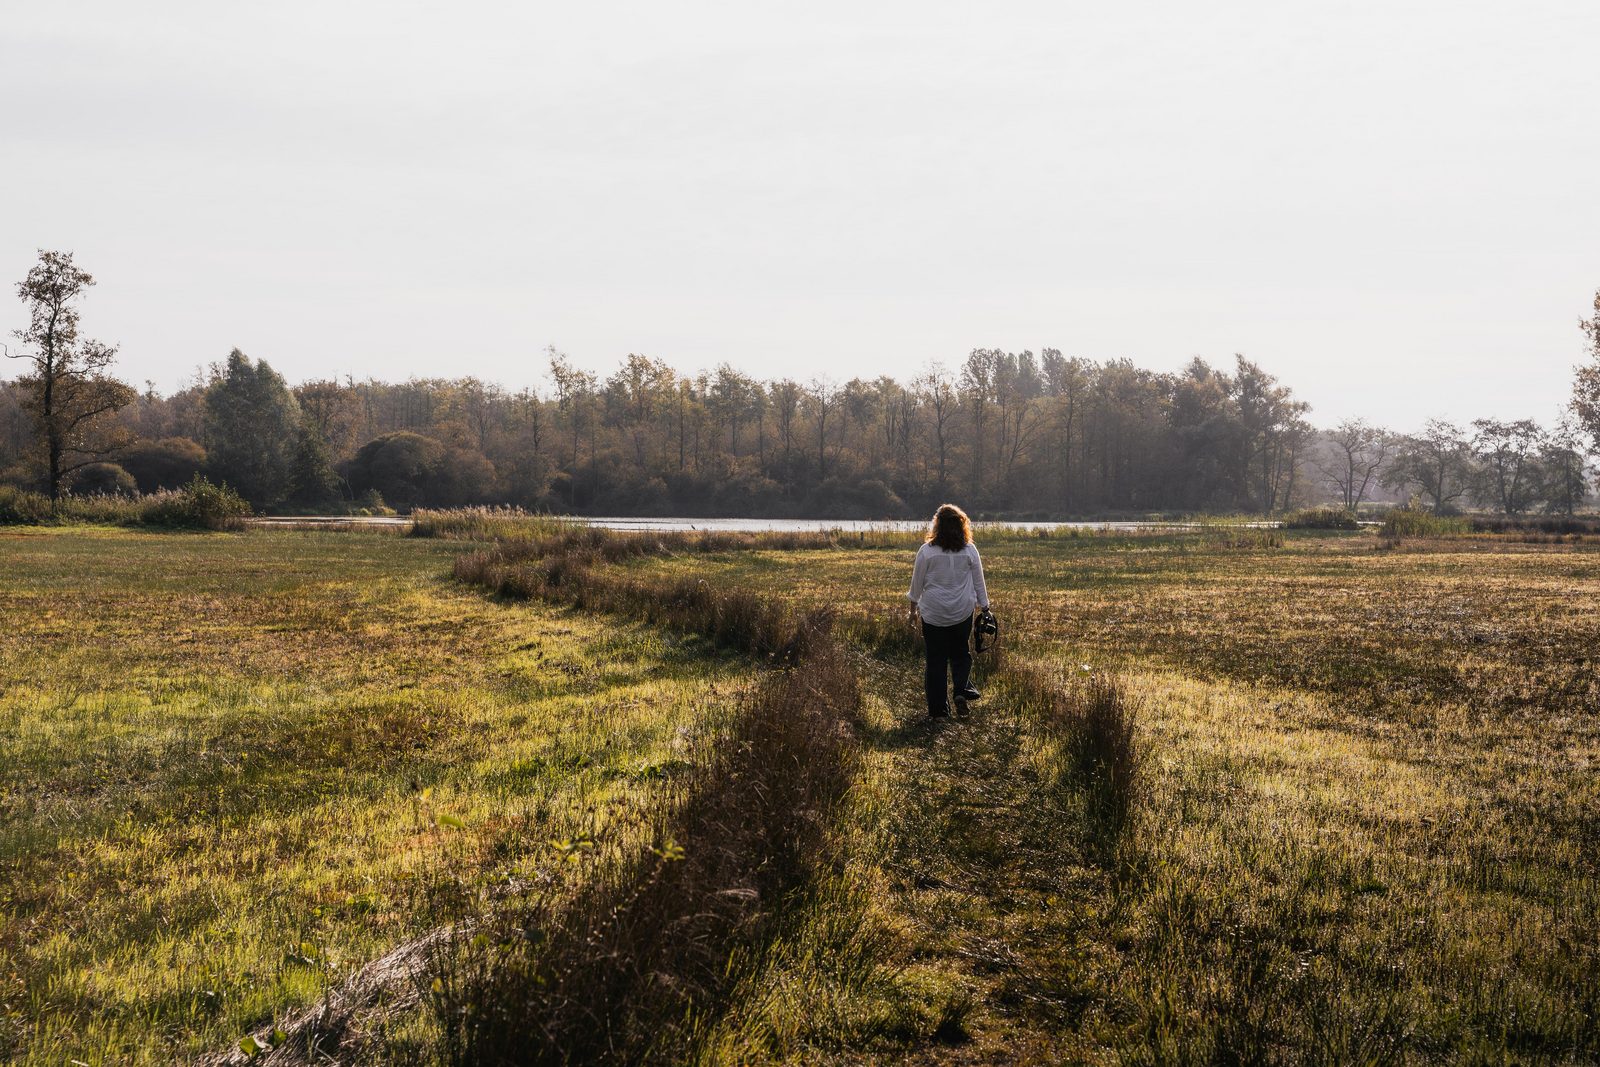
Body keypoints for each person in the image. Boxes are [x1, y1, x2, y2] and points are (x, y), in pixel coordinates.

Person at [906, 503, 990, 718]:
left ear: (938, 526)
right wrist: (985, 608)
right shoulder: (970, 550)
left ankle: (939, 712)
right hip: (962, 611)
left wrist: (913, 611)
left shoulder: (927, 552)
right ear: (961, 526)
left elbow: (917, 585)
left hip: (933, 613)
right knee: (961, 654)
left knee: (936, 660)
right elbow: (979, 583)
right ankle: (961, 690)